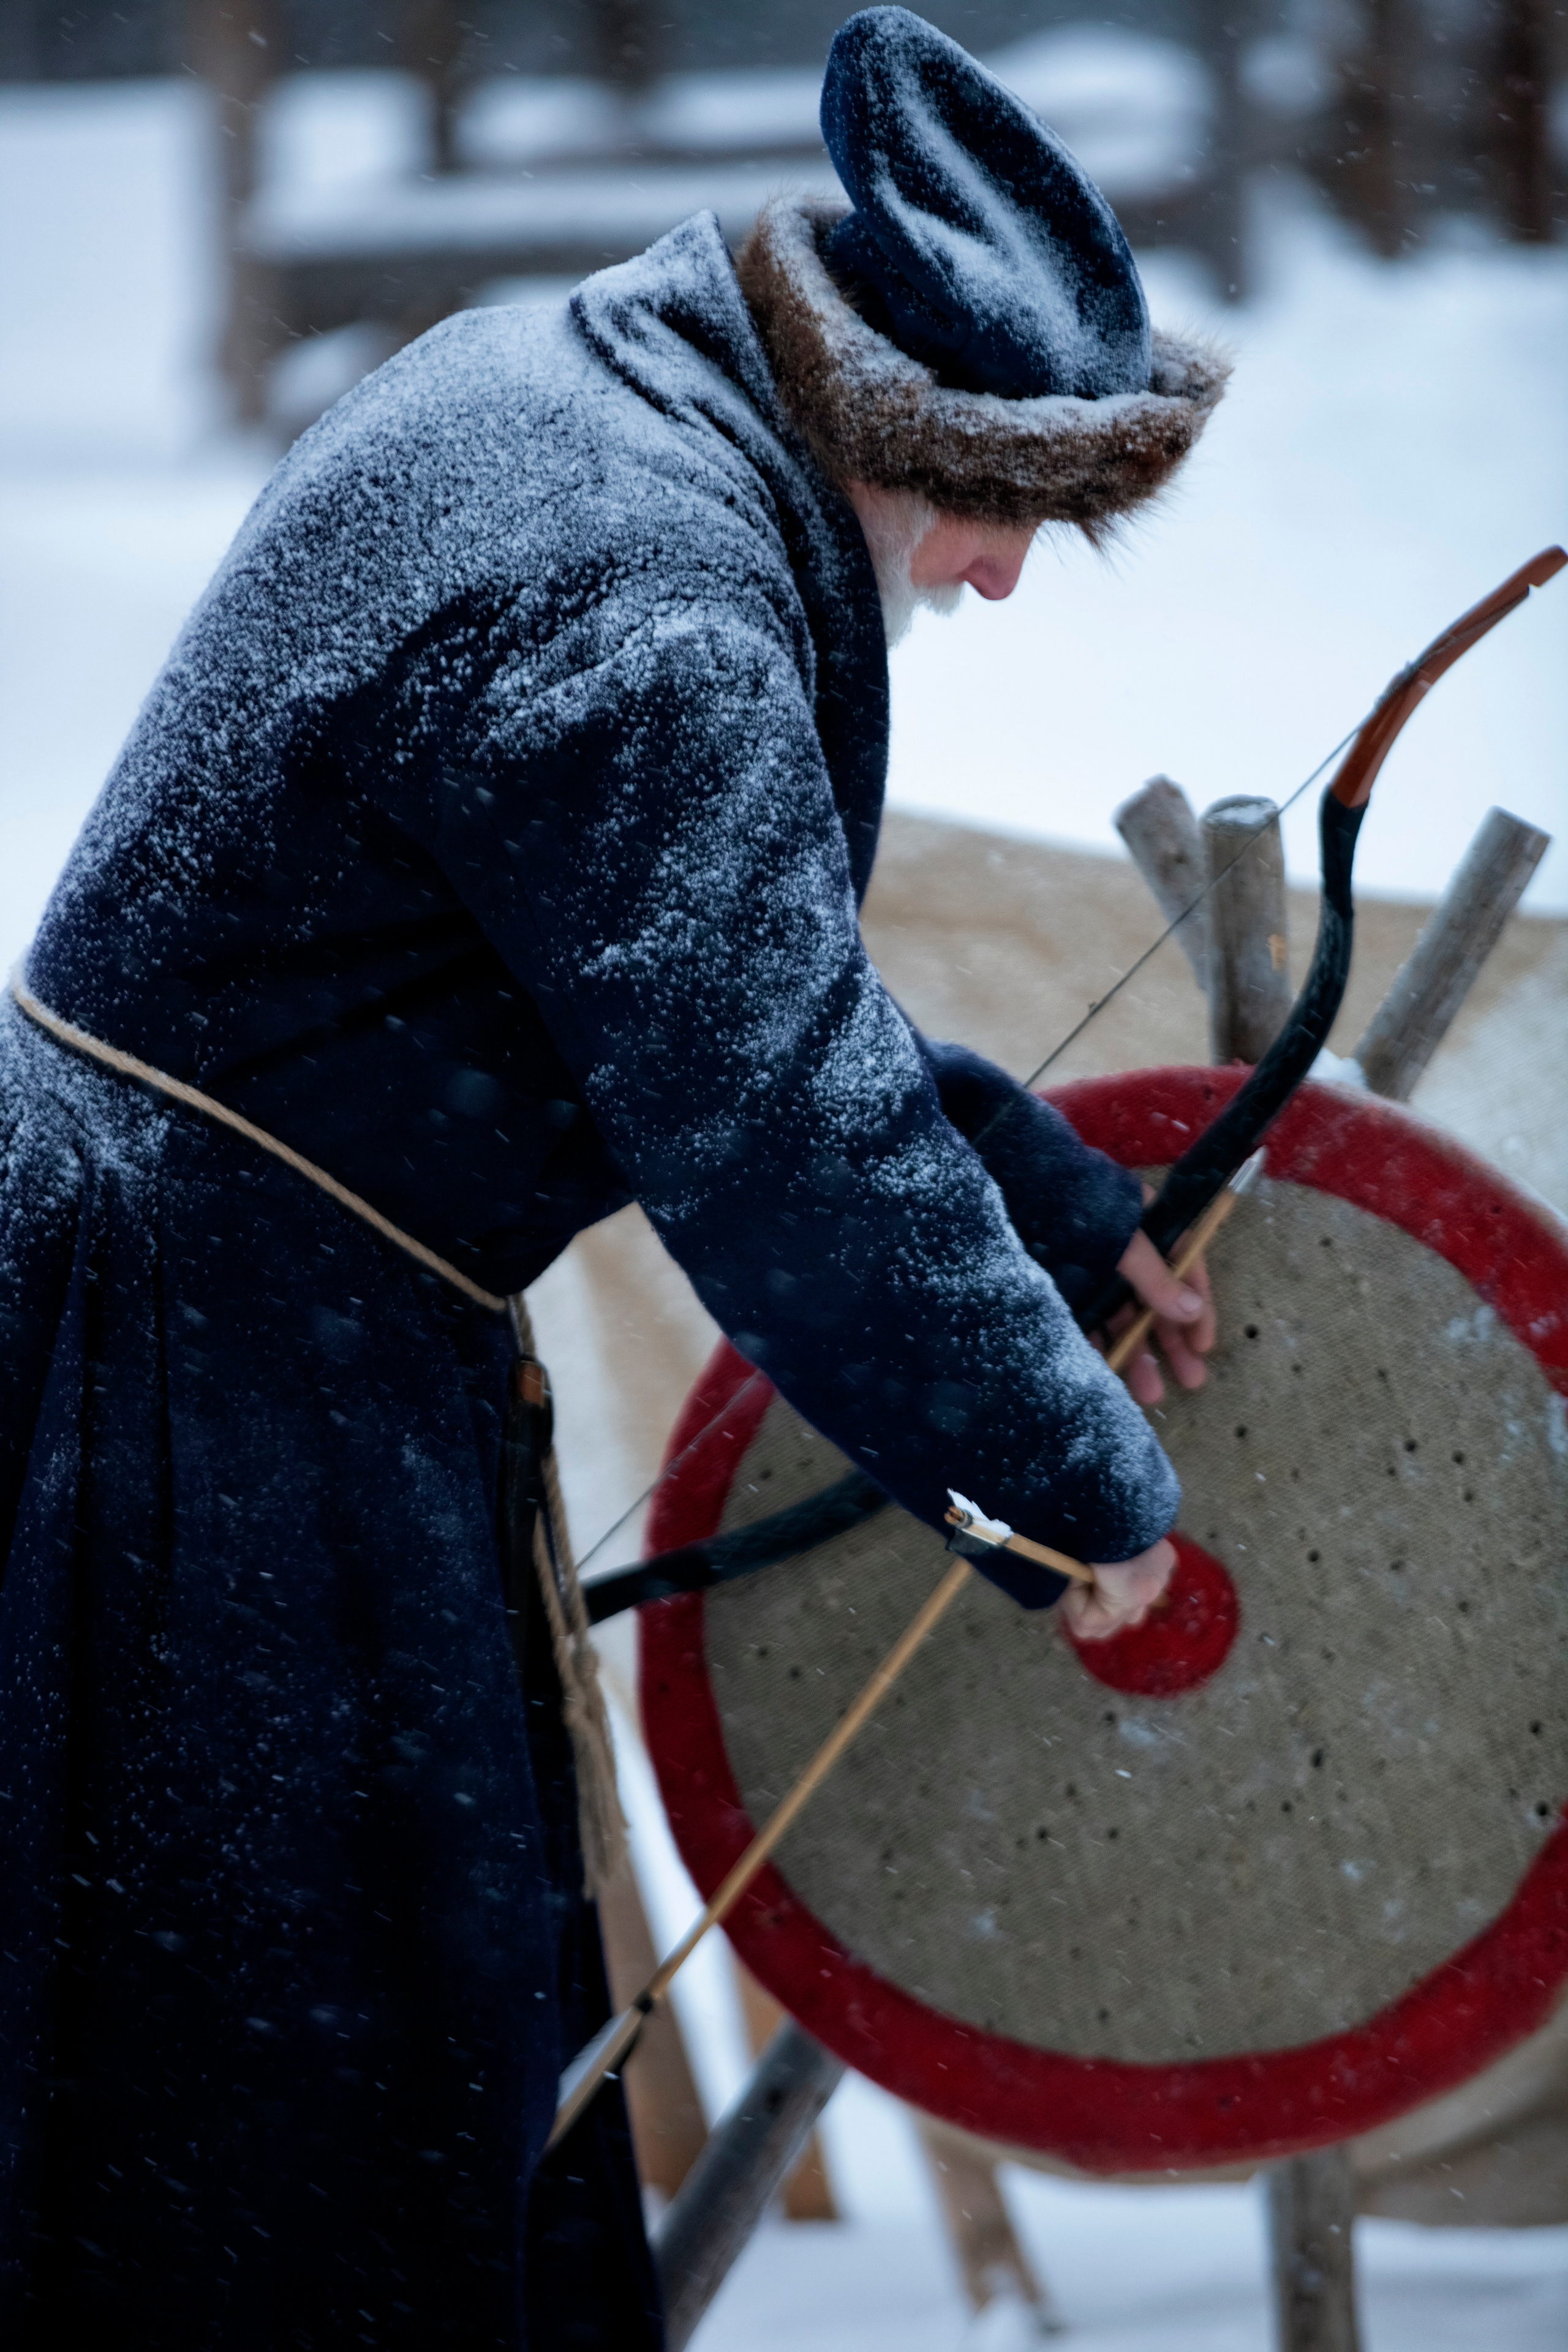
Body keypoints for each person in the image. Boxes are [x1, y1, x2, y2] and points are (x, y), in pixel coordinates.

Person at [0, 9, 1227, 2342]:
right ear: (893, 423)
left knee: (328, 2075)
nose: (997, 581)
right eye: (1008, 509)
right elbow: (776, 1133)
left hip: (227, 1327)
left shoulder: (587, 403)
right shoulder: (642, 601)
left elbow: (699, 993)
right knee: (274, 2128)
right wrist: (1086, 1498)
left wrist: (1053, 1212)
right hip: (203, 1406)